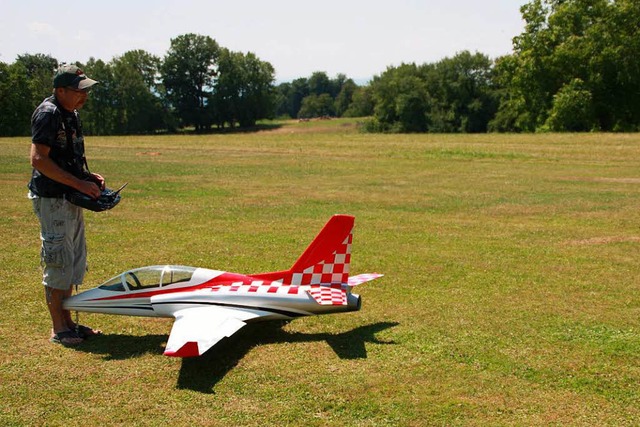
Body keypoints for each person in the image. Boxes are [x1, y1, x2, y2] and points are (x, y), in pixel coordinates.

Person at [29, 64, 103, 346]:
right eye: (78, 91)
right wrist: (78, 184)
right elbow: (39, 159)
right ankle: (59, 328)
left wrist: (87, 177)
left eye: (85, 91)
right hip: (53, 198)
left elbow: (66, 156)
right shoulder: (48, 114)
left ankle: (70, 322)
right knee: (58, 259)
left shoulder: (70, 112)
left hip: (69, 196)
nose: (83, 97)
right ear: (60, 90)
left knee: (72, 262)